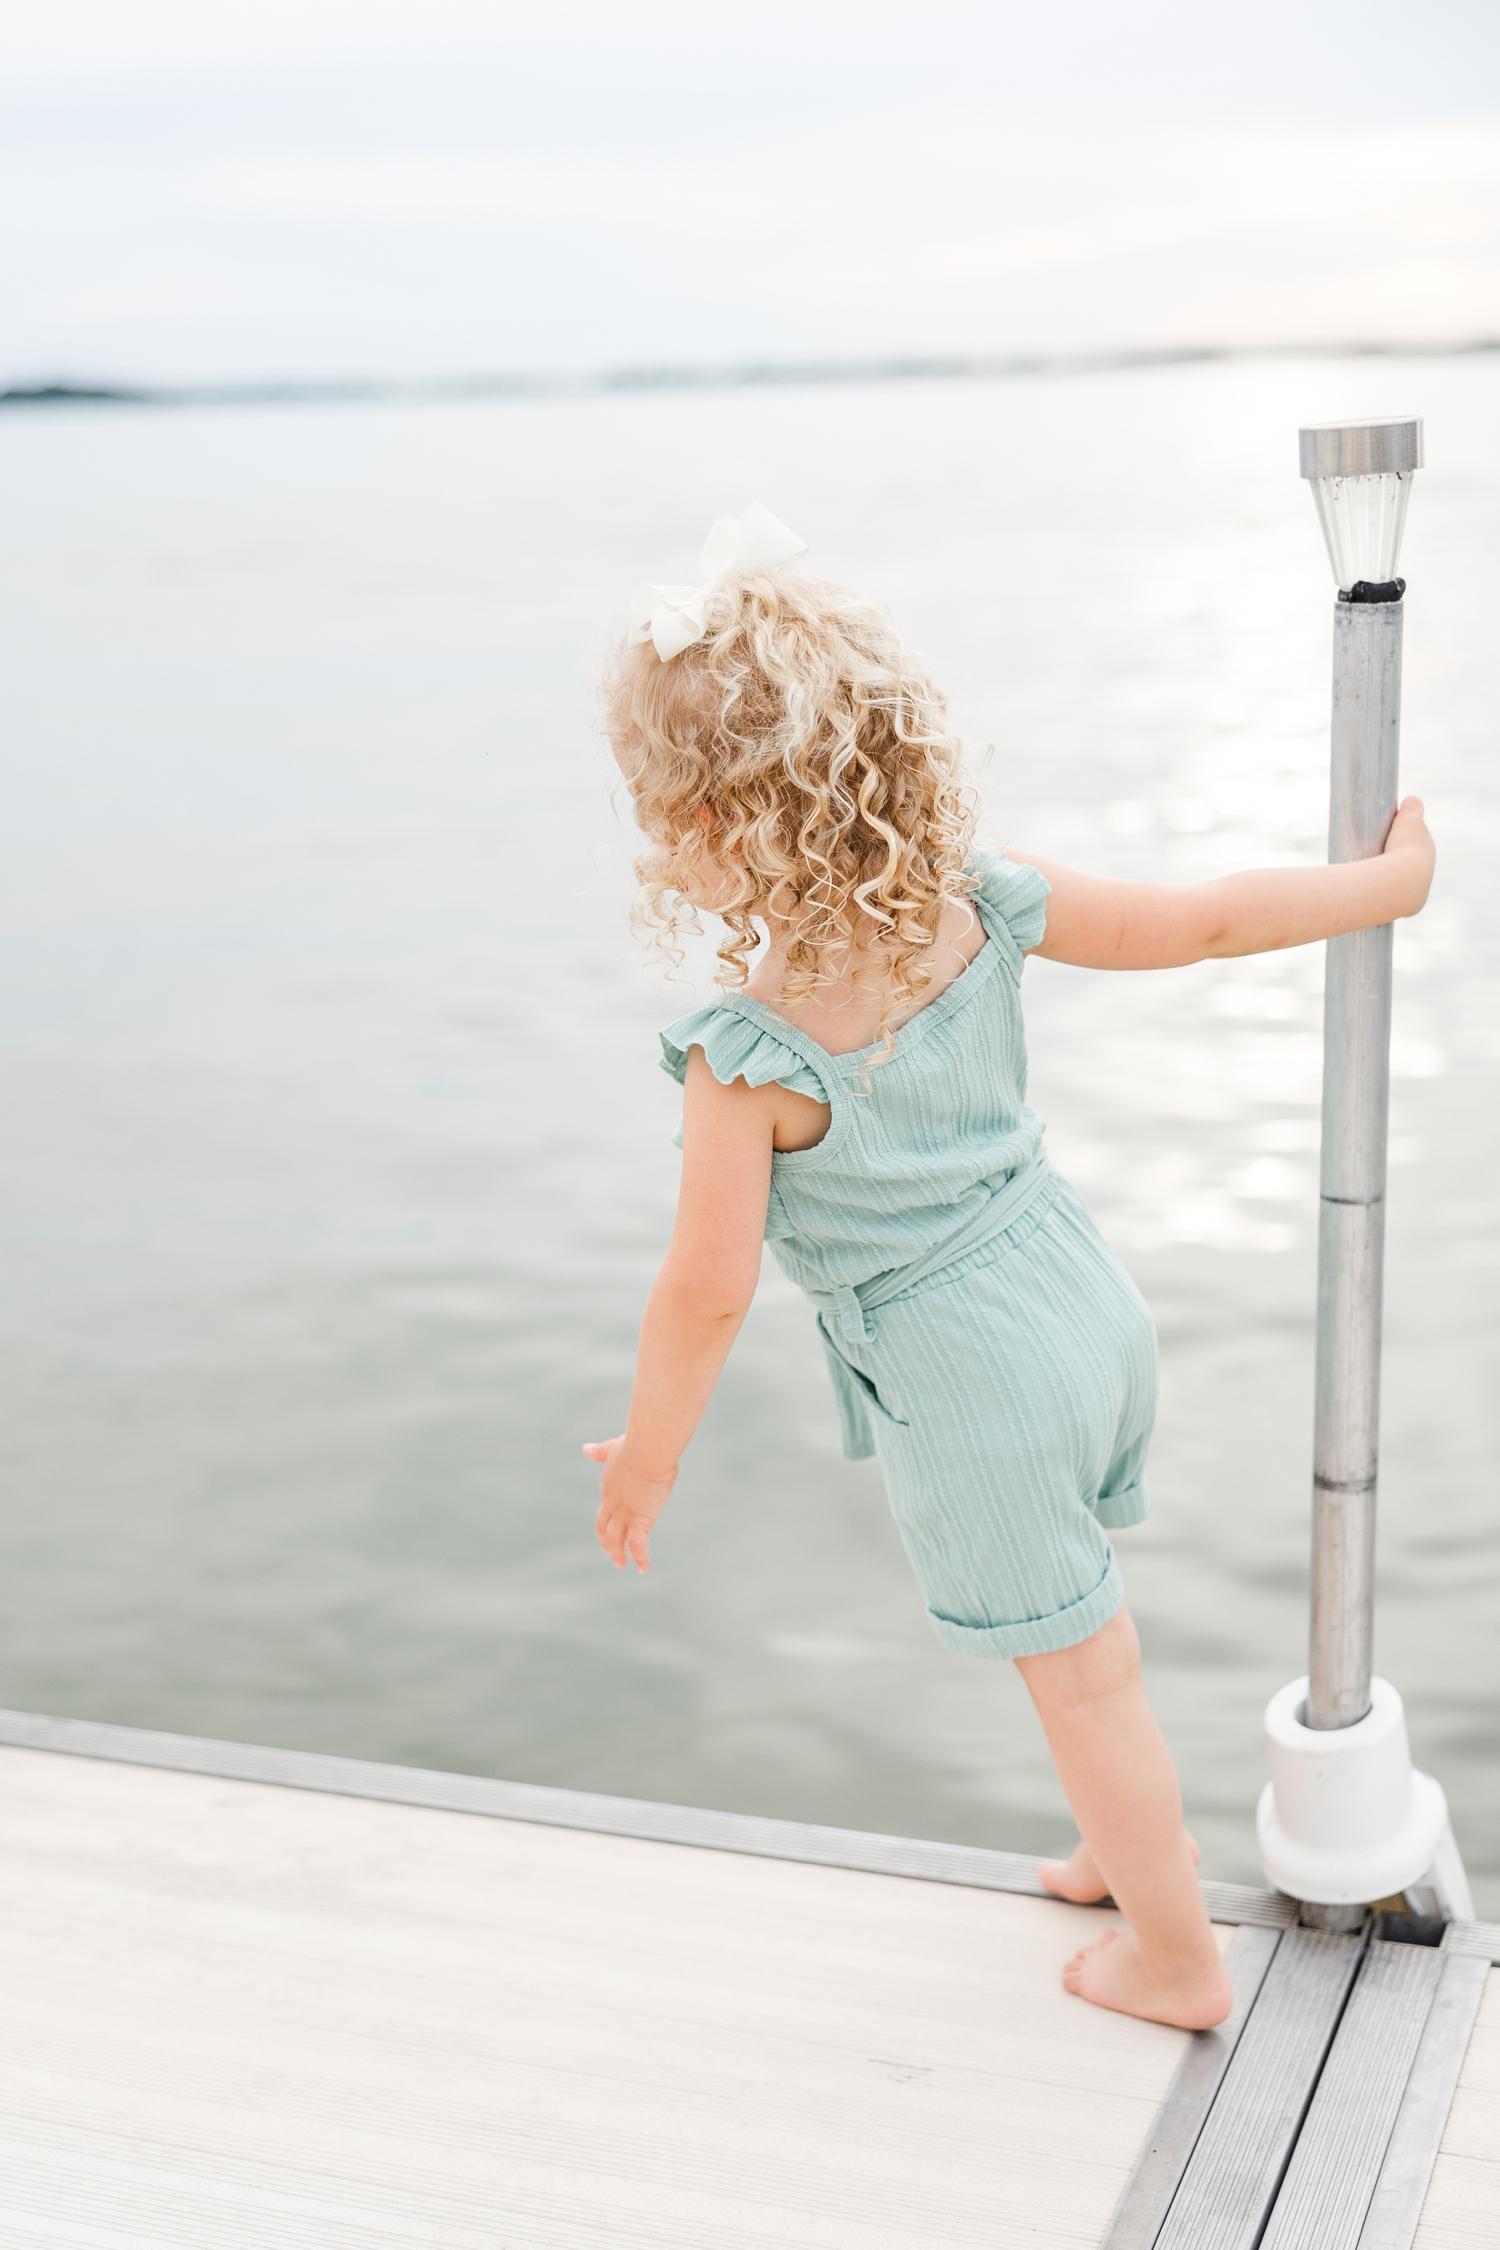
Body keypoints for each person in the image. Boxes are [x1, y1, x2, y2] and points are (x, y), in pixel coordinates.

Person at [583, 504, 1435, 2029]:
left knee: (1081, 1672)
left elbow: (701, 1292)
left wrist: (648, 1457)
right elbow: (1206, 921)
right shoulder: (980, 899)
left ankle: (1174, 1956)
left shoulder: (743, 1058)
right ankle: (1125, 1845)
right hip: (1081, 1299)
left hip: (972, 1377)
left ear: (713, 830)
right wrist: (1382, 885)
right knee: (1087, 1636)